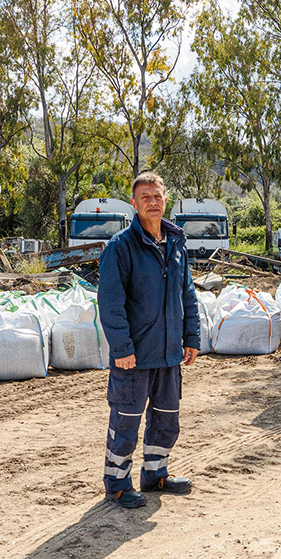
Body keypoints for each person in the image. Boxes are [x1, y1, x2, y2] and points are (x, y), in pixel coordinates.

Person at [97, 171, 200, 508]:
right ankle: (117, 484)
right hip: (135, 356)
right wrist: (122, 348)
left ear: (165, 200)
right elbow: (111, 303)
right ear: (134, 203)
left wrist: (191, 336)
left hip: (168, 353)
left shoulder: (176, 244)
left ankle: (156, 474)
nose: (152, 202)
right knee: (126, 421)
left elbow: (187, 294)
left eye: (157, 196)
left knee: (167, 419)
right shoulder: (121, 247)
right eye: (145, 197)